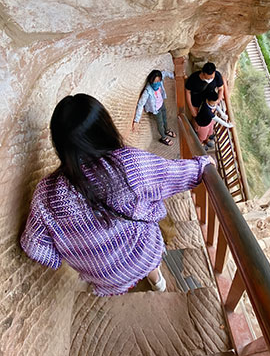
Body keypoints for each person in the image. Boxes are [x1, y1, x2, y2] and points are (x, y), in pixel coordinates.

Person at [20, 94, 211, 296]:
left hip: (102, 276)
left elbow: (35, 248)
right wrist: (204, 165)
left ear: (59, 142)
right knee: (149, 225)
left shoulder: (45, 193)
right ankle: (158, 283)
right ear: (104, 127)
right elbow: (176, 174)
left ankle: (122, 289)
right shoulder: (127, 165)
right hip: (142, 256)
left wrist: (75, 248)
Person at [132, 69, 176, 146]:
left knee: (165, 119)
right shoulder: (147, 91)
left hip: (161, 104)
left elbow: (164, 73)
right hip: (156, 109)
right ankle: (163, 137)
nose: (157, 83)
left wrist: (174, 76)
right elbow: (140, 104)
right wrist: (136, 120)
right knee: (160, 123)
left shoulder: (160, 82)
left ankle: (167, 130)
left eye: (158, 81)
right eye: (154, 82)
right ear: (151, 81)